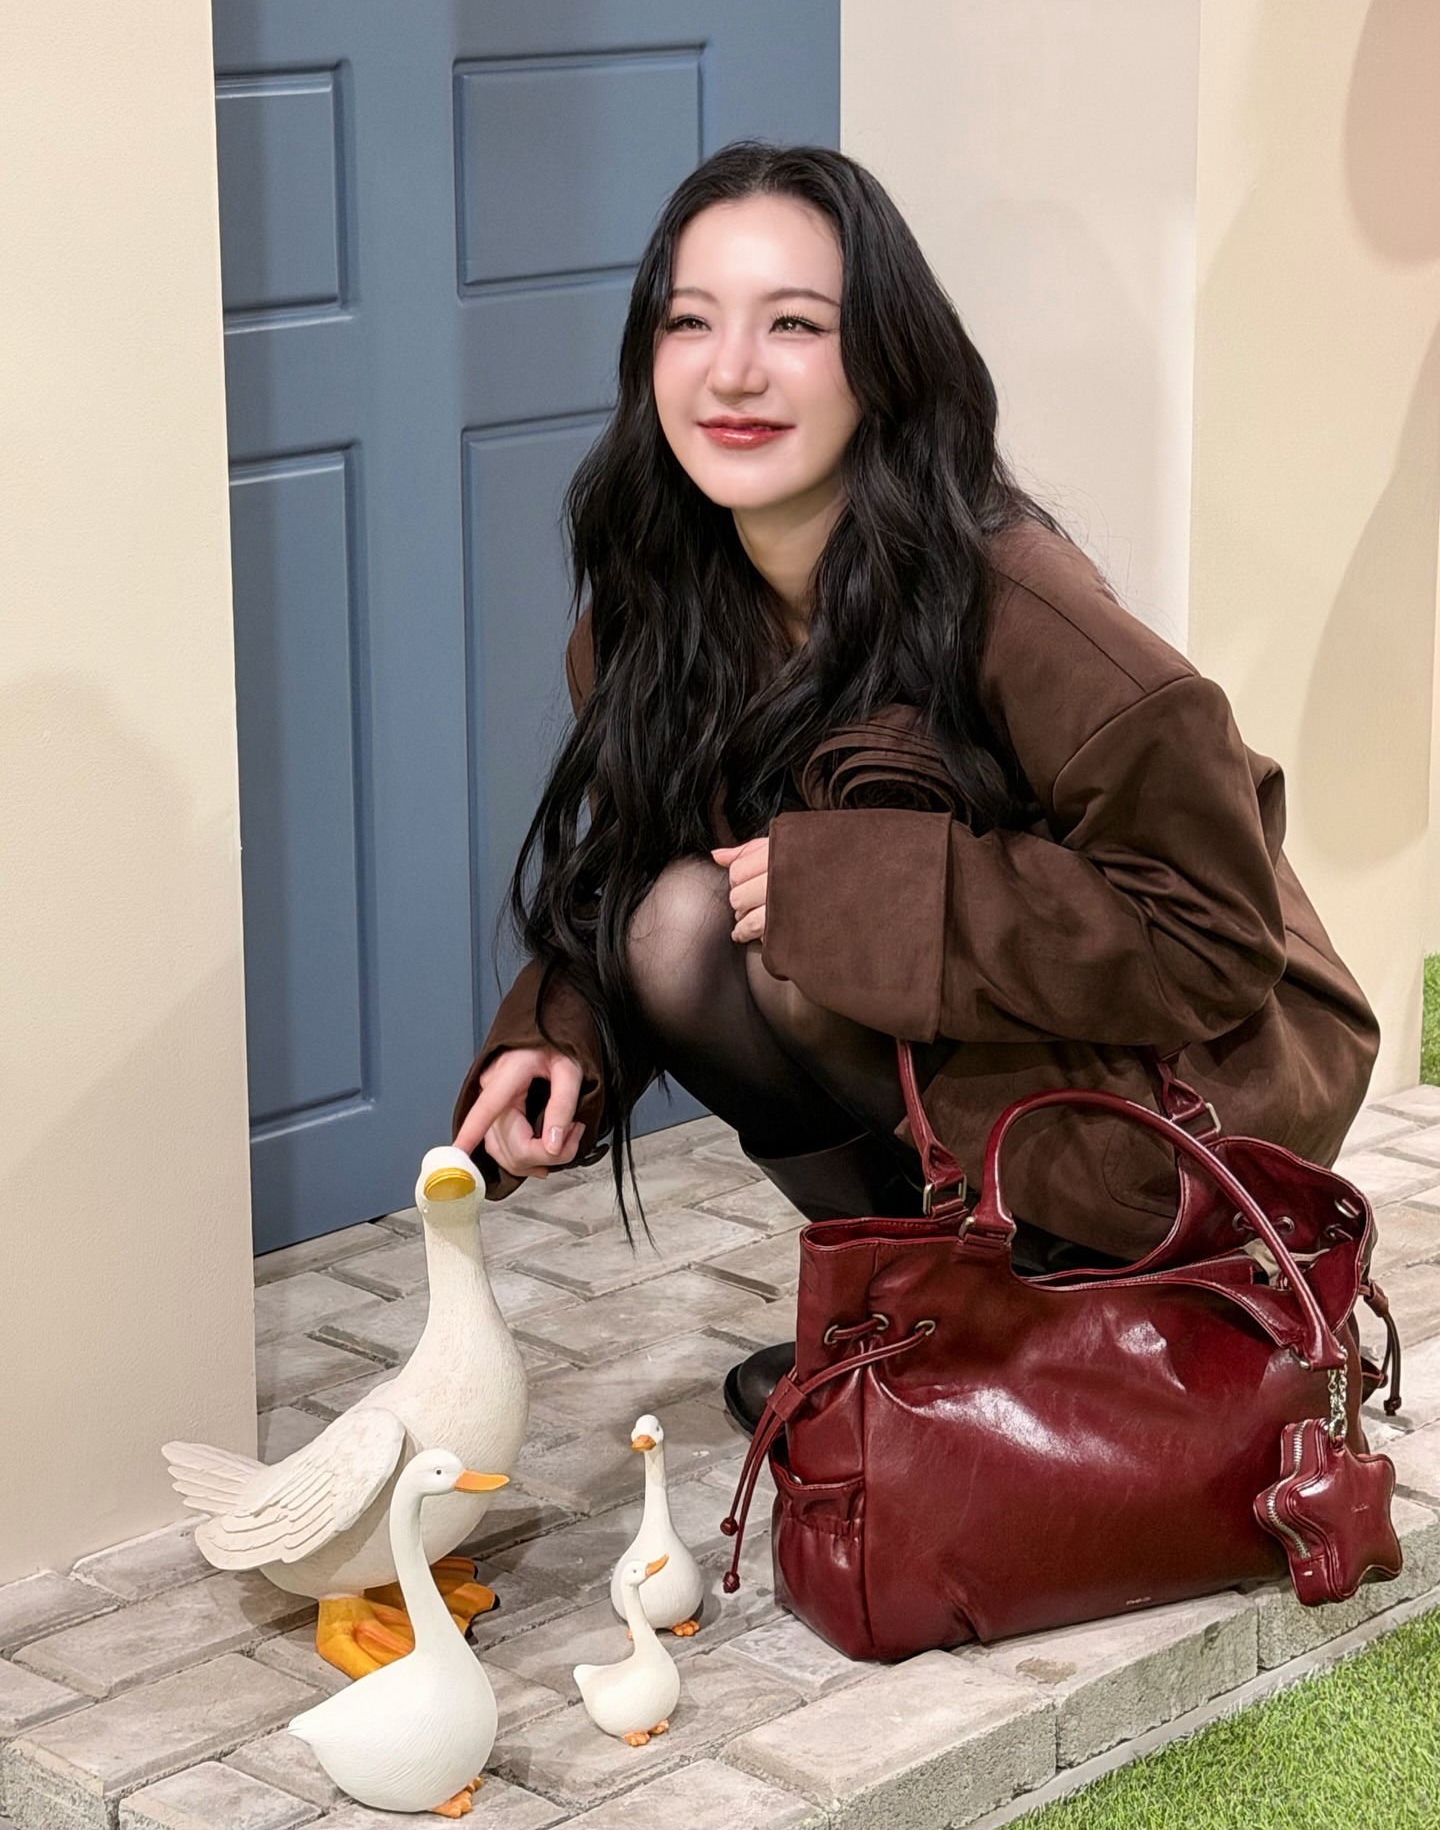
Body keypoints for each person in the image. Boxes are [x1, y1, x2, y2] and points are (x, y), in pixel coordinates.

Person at [451, 141, 1379, 1435]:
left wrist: (866, 898)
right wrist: (561, 1031)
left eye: (794, 325)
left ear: (883, 359)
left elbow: (1214, 938)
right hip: (983, 1058)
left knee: (803, 935)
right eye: (690, 321)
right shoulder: (653, 620)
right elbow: (643, 858)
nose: (731, 371)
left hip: (1193, 1085)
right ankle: (937, 1315)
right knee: (678, 927)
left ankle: (1054, 1316)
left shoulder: (1023, 604)